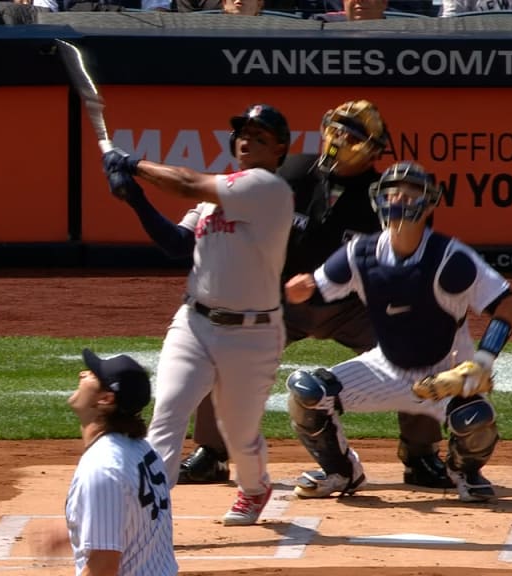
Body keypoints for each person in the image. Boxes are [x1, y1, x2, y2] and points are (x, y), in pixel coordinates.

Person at [180, 100, 454, 491]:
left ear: (374, 148)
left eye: (353, 135)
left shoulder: (388, 195)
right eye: (336, 129)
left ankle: (421, 454)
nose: (340, 140)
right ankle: (211, 452)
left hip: (354, 306)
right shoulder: (289, 173)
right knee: (219, 341)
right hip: (280, 301)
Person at [102, 103, 294, 526]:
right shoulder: (214, 198)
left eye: (260, 137)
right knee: (167, 414)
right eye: (244, 132)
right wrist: (135, 199)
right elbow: (176, 244)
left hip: (252, 335)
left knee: (239, 436)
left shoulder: (268, 190)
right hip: (195, 323)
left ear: (279, 150)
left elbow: (187, 182)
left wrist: (133, 165)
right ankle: (145, 514)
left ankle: (255, 487)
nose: (247, 139)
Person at [282, 161, 512, 502]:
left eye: (410, 194)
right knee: (307, 392)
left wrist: (482, 362)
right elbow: (319, 288)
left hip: (445, 373)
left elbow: (507, 305)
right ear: (379, 200)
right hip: (387, 368)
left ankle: (463, 471)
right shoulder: (360, 252)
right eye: (393, 193)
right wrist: (303, 289)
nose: (400, 200)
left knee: (475, 419)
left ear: (429, 203)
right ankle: (341, 472)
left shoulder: (449, 258)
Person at [31, 349, 178, 576]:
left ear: (106, 399)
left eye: (92, 375)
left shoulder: (103, 467)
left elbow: (103, 569)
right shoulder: (143, 451)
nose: (82, 374)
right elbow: (133, 516)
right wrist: (83, 526)